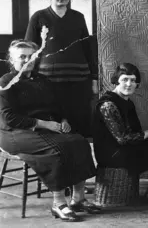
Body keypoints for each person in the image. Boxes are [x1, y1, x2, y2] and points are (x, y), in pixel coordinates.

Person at [0, 40, 99, 222]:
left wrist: (63, 120)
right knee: (57, 149)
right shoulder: (6, 82)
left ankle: (78, 198)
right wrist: (45, 124)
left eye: (31, 56)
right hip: (14, 133)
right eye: (22, 57)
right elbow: (9, 118)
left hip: (42, 130)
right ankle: (59, 203)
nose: (27, 60)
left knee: (79, 142)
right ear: (12, 59)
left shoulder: (43, 80)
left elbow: (56, 106)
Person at [92, 63, 148, 204]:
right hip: (112, 154)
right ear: (116, 81)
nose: (129, 84)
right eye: (125, 79)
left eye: (133, 80)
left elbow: (134, 132)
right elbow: (123, 138)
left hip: (123, 148)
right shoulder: (108, 105)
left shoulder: (127, 102)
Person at [25, 0, 97, 137]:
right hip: (48, 82)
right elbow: (29, 49)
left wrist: (94, 78)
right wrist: (28, 77)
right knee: (55, 125)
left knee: (79, 124)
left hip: (79, 82)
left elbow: (88, 48)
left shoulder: (78, 17)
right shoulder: (38, 17)